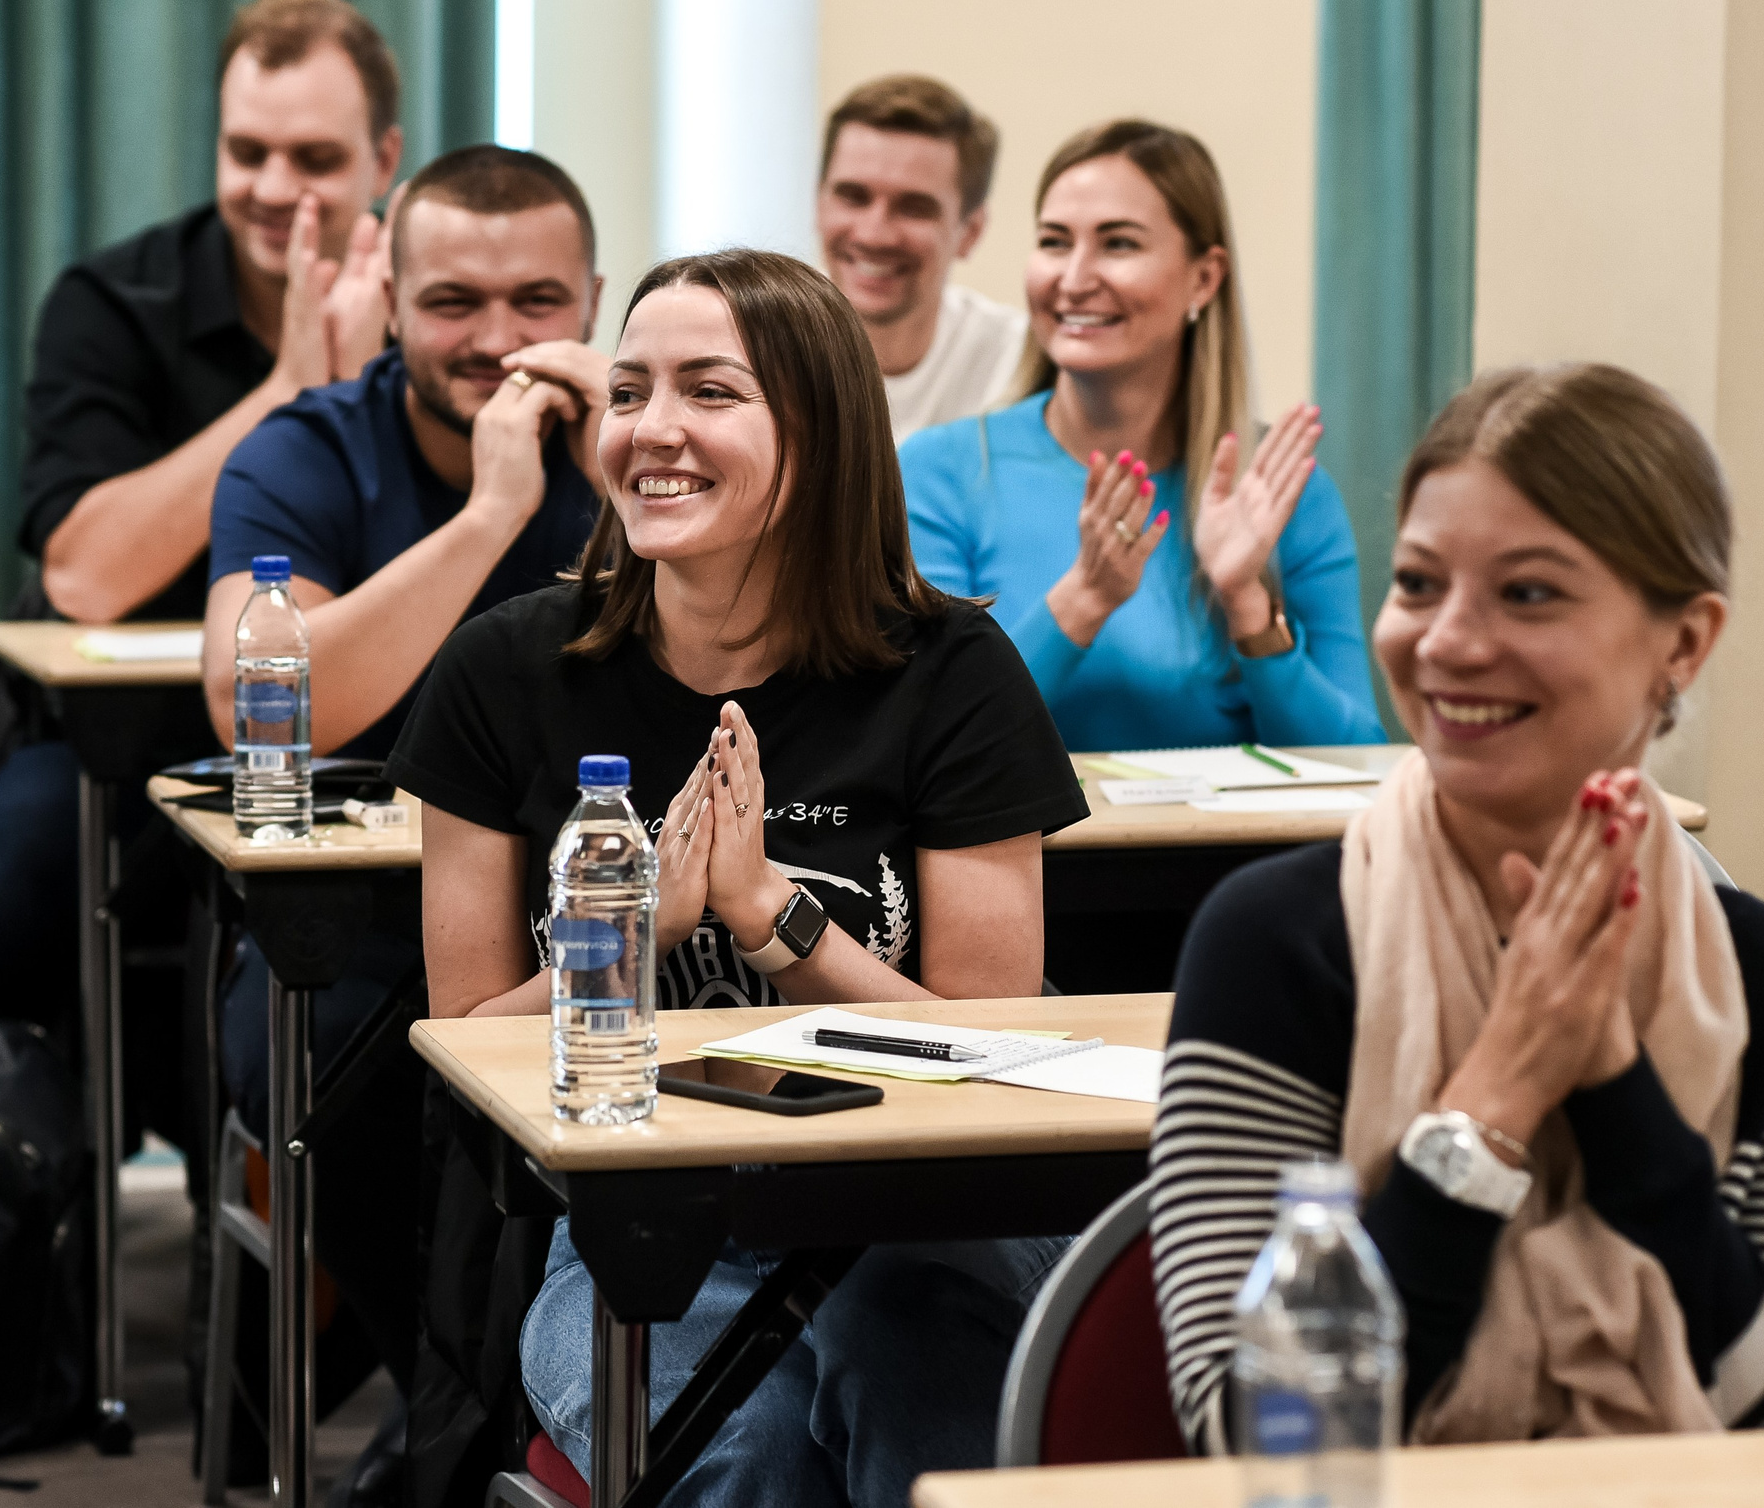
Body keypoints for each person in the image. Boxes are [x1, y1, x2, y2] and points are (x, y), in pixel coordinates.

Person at [386, 250, 1090, 1506]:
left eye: (709, 391)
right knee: (751, 1457)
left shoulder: (952, 669)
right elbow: (466, 1055)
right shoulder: (507, 671)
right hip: (646, 1225)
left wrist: (775, 918)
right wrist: (636, 930)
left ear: (818, 438)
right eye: (629, 389)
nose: (652, 430)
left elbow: (995, 1061)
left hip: (918, 1207)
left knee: (916, 1379)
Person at [1148, 364, 1764, 1450]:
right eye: (1415, 583)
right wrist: (1496, 1091)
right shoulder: (1273, 940)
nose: (1446, 640)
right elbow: (1259, 1436)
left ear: (1682, 643)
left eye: (1527, 591)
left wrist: (1615, 1088)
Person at [200, 142, 610, 1438]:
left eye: (537, 302)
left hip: (604, 899)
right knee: (353, 1098)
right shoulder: (305, 452)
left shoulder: (648, 450)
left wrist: (620, 480)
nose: (498, 340)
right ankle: (464, 1431)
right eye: (453, 303)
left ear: (593, 299)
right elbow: (258, 696)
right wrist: (492, 517)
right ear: (389, 304)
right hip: (352, 927)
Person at [0, 0, 401, 1055]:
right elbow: (83, 575)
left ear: (384, 160)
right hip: (139, 743)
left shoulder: (440, 305)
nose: (276, 188)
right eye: (247, 151)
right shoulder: (113, 300)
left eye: (314, 158)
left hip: (374, 732)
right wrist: (293, 389)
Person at [898, 120, 1381, 752]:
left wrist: (1248, 610)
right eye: (1053, 241)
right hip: (1024, 854)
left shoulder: (1282, 493)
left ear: (1203, 280)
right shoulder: (941, 472)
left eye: (1118, 244)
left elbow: (1357, 761)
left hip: (1241, 855)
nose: (1073, 278)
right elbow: (926, 741)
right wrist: (1085, 599)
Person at [817, 75, 1027, 444]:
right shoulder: (752, 353)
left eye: (914, 208)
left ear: (970, 232)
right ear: (819, 205)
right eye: (854, 197)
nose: (873, 234)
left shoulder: (1017, 365)